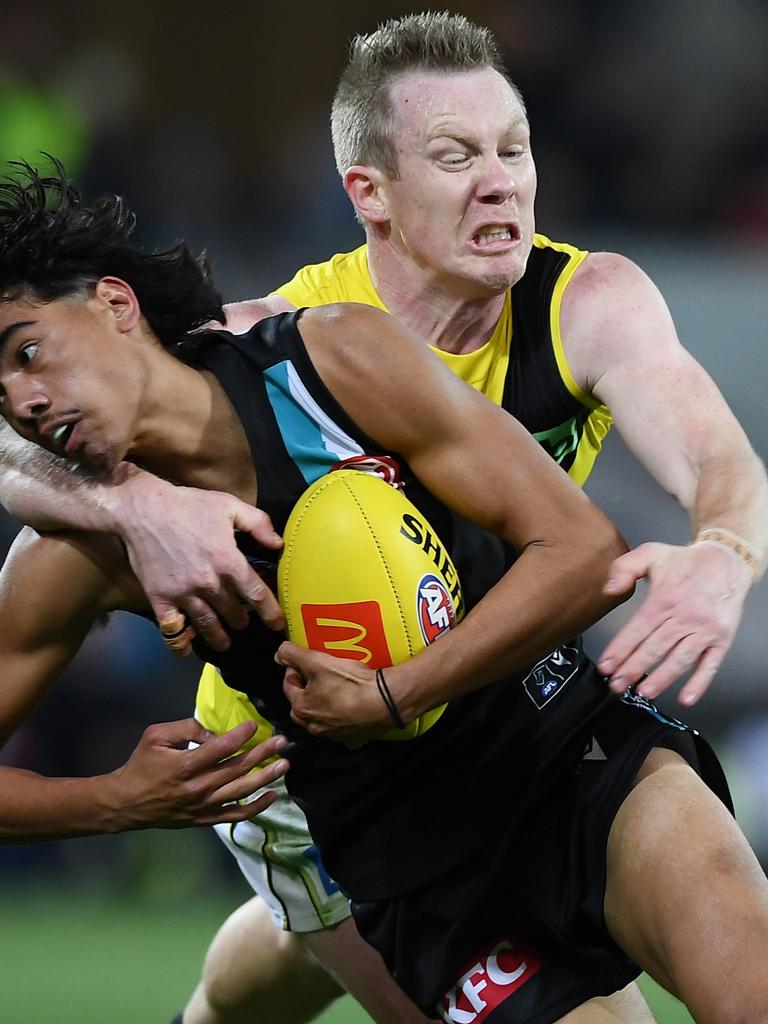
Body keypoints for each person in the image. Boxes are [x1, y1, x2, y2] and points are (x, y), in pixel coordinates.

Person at [1, 12, 767, 1024]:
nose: (500, 180)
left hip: (538, 727)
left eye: (514, 149)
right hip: (309, 790)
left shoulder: (546, 311)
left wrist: (725, 549)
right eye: (456, 156)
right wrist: (140, 510)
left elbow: (699, 468)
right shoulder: (258, 338)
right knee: (307, 939)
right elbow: (37, 441)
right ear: (371, 191)